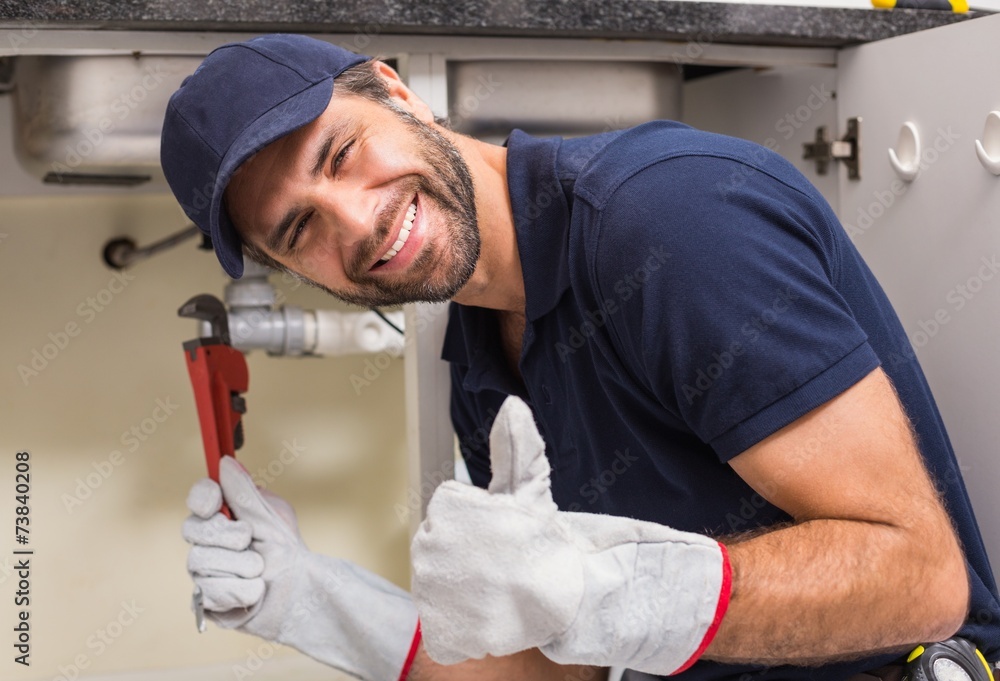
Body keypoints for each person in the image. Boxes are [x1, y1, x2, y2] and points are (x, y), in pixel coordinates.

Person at [163, 34, 1000, 681]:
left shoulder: (670, 220)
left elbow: (921, 577)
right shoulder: (484, 356)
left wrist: (610, 593)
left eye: (340, 155)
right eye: (299, 230)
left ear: (396, 92)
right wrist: (321, 602)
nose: (356, 222)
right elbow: (552, 662)